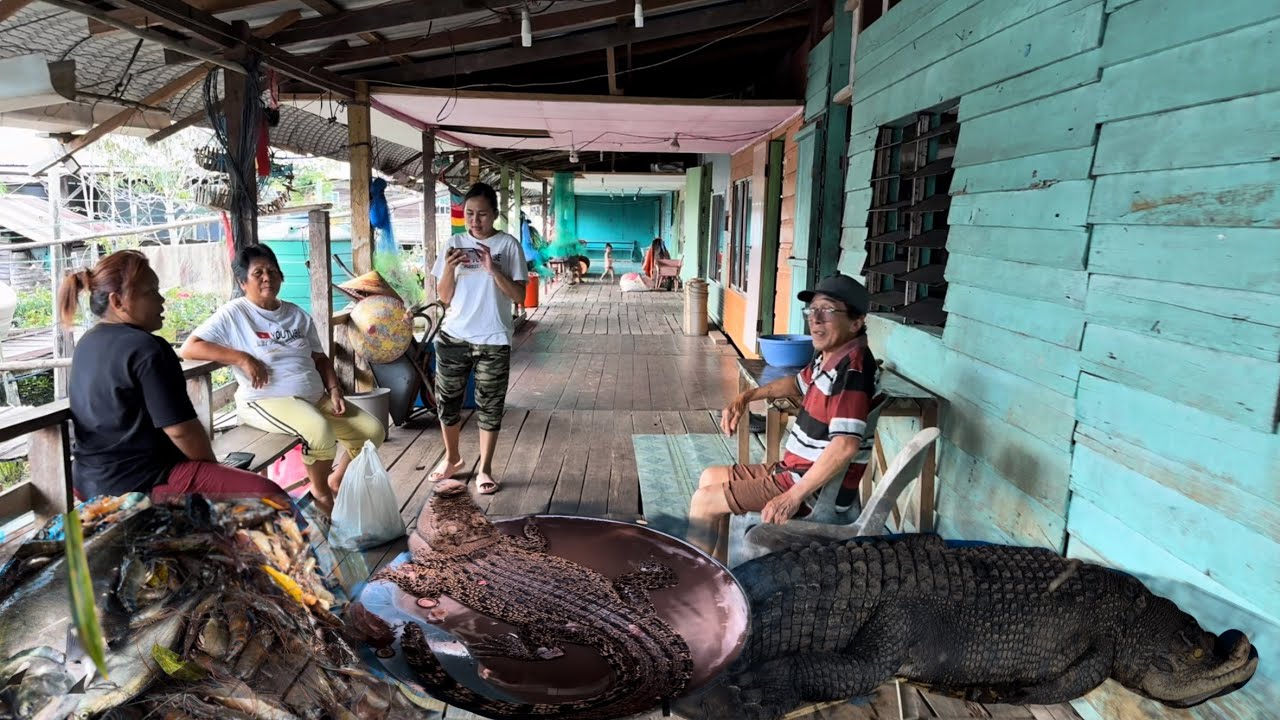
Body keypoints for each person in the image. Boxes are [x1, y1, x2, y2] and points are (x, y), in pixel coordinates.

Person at [59, 250, 289, 506]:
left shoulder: (87, 343)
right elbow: (181, 431)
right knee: (271, 495)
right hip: (143, 480)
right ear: (118, 301)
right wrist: (214, 467)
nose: (161, 300)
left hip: (87, 480)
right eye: (150, 292)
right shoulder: (147, 348)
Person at [181, 244, 384, 515]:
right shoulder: (234, 314)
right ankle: (321, 492)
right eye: (258, 273)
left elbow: (320, 359)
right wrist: (242, 358)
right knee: (319, 433)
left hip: (314, 396)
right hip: (266, 398)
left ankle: (335, 479)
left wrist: (334, 389)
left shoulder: (296, 314)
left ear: (281, 276)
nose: (267, 277)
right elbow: (190, 347)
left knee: (373, 432)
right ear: (243, 282)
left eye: (272, 270)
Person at [687, 274, 876, 562]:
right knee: (709, 477)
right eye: (812, 311)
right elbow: (794, 385)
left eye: (827, 310)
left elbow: (845, 447)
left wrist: (792, 496)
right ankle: (716, 572)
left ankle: (688, 587)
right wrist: (745, 397)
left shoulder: (852, 371)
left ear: (856, 321)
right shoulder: (830, 356)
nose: (815, 319)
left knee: (705, 500)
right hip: (791, 470)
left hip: (810, 488)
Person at [429, 182, 528, 495]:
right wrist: (448, 267)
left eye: (482, 214)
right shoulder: (454, 242)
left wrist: (492, 269)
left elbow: (519, 296)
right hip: (454, 336)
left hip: (494, 337)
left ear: (495, 214)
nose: (475, 220)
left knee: (490, 405)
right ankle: (453, 458)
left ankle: (485, 467)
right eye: (469, 214)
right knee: (447, 402)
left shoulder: (508, 245)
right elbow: (443, 298)